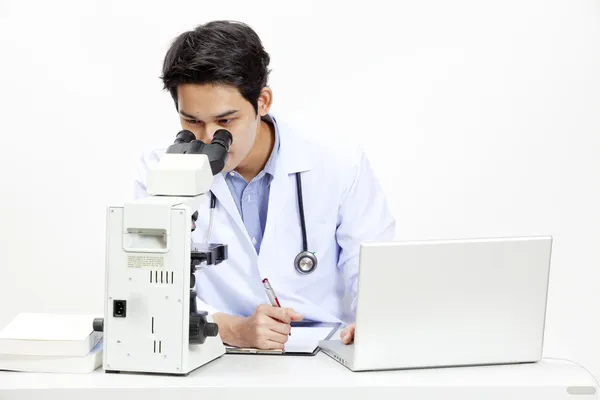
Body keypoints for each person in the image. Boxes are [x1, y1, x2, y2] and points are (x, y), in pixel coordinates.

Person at [134, 20, 395, 350]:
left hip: (328, 348)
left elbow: (375, 268)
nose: (208, 139)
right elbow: (147, 286)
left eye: (226, 121)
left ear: (263, 101)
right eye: (192, 121)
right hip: (217, 352)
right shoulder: (160, 169)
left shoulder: (339, 162)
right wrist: (230, 328)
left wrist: (375, 320)